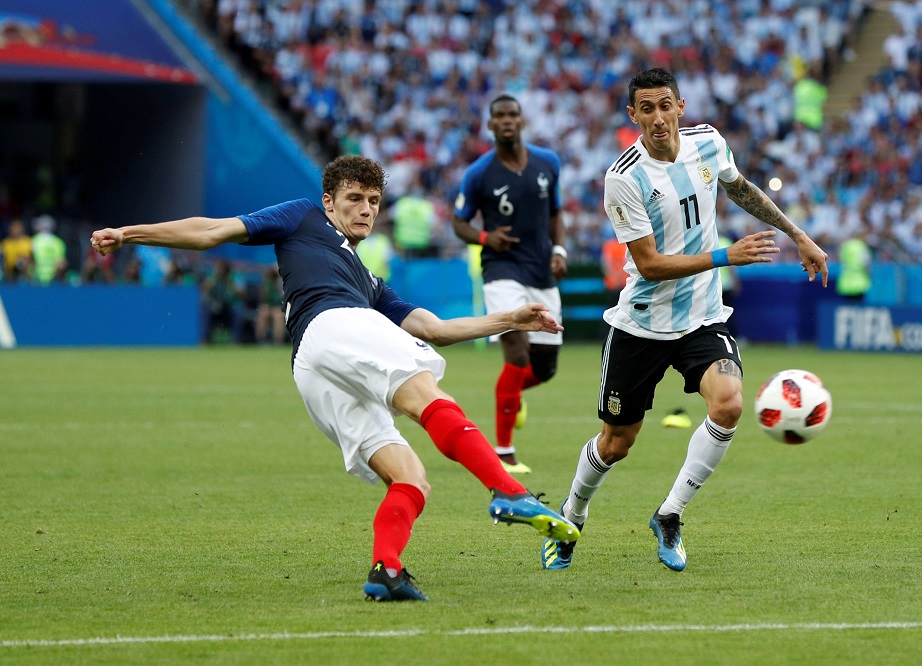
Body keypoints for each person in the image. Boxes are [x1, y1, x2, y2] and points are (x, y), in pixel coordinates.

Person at [91, 155, 579, 602]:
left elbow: (434, 329)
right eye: (354, 199)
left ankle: (386, 572)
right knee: (423, 392)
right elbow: (212, 230)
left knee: (410, 477)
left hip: (312, 364)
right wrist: (130, 233)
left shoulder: (366, 281)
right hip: (335, 325)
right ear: (329, 201)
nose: (365, 209)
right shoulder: (303, 217)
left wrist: (511, 319)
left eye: (373, 201)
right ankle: (507, 492)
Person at [540, 68, 828, 573]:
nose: (657, 117)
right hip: (643, 324)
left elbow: (741, 189)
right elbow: (648, 264)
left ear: (681, 106)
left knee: (730, 403)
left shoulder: (709, 145)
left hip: (702, 316)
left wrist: (797, 234)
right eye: (645, 109)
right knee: (617, 442)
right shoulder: (623, 178)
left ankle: (669, 514)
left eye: (664, 105)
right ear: (633, 116)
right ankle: (571, 516)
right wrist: (725, 257)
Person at [452, 93, 567, 474]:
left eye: (512, 115)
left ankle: (509, 393)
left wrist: (560, 250)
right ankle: (504, 452)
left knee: (545, 367)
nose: (505, 120)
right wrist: (486, 239)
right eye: (498, 115)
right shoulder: (479, 173)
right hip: (501, 268)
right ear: (490, 125)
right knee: (517, 353)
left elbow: (556, 213)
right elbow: (460, 223)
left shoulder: (547, 163)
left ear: (521, 121)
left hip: (541, 270)